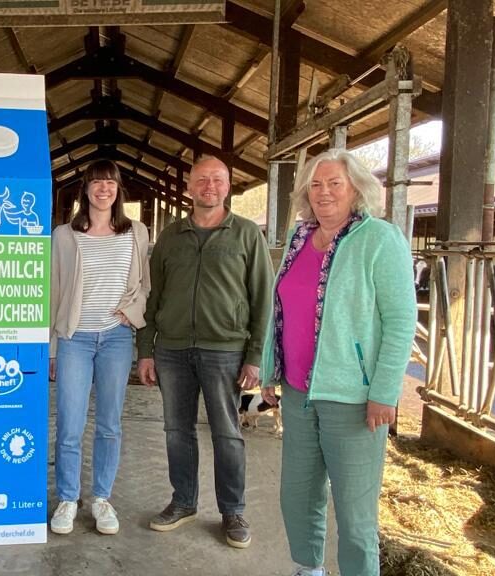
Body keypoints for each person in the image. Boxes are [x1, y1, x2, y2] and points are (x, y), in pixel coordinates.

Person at [259, 149, 417, 576]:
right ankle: (309, 570)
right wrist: (270, 367)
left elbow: (402, 320)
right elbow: (280, 308)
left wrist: (385, 392)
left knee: (354, 511)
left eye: (335, 184)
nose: (324, 192)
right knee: (297, 494)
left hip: (353, 398)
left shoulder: (379, 239)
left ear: (357, 190)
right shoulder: (299, 239)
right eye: (316, 184)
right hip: (298, 391)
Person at [136, 155, 272, 548]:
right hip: (173, 350)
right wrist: (146, 350)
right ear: (189, 188)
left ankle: (233, 511)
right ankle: (183, 502)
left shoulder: (247, 234)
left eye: (217, 179)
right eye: (201, 180)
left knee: (227, 433)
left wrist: (255, 355)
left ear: (228, 187)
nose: (209, 186)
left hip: (225, 351)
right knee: (177, 432)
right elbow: (153, 296)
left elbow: (263, 298)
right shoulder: (170, 237)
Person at [48, 159, 151, 536]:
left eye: (110, 182)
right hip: (74, 337)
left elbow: (144, 285)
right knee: (70, 424)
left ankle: (102, 499)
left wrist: (131, 312)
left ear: (118, 189)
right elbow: (54, 290)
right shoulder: (64, 235)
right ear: (85, 190)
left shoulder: (136, 232)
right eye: (96, 182)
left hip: (116, 338)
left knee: (109, 424)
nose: (103, 188)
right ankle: (68, 499)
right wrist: (53, 347)